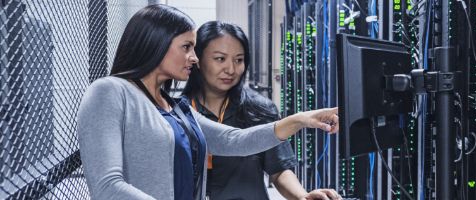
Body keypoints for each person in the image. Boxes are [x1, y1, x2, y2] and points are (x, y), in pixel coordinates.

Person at [77, 4, 339, 200]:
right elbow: (107, 186)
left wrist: (301, 120)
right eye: (187, 47)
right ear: (156, 43)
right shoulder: (110, 92)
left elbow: (233, 140)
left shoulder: (175, 107)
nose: (194, 58)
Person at [183, 21, 341, 200]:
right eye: (220, 59)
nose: (231, 69)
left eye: (239, 60)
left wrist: (303, 196)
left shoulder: (258, 109)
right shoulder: (178, 113)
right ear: (197, 59)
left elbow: (278, 169)